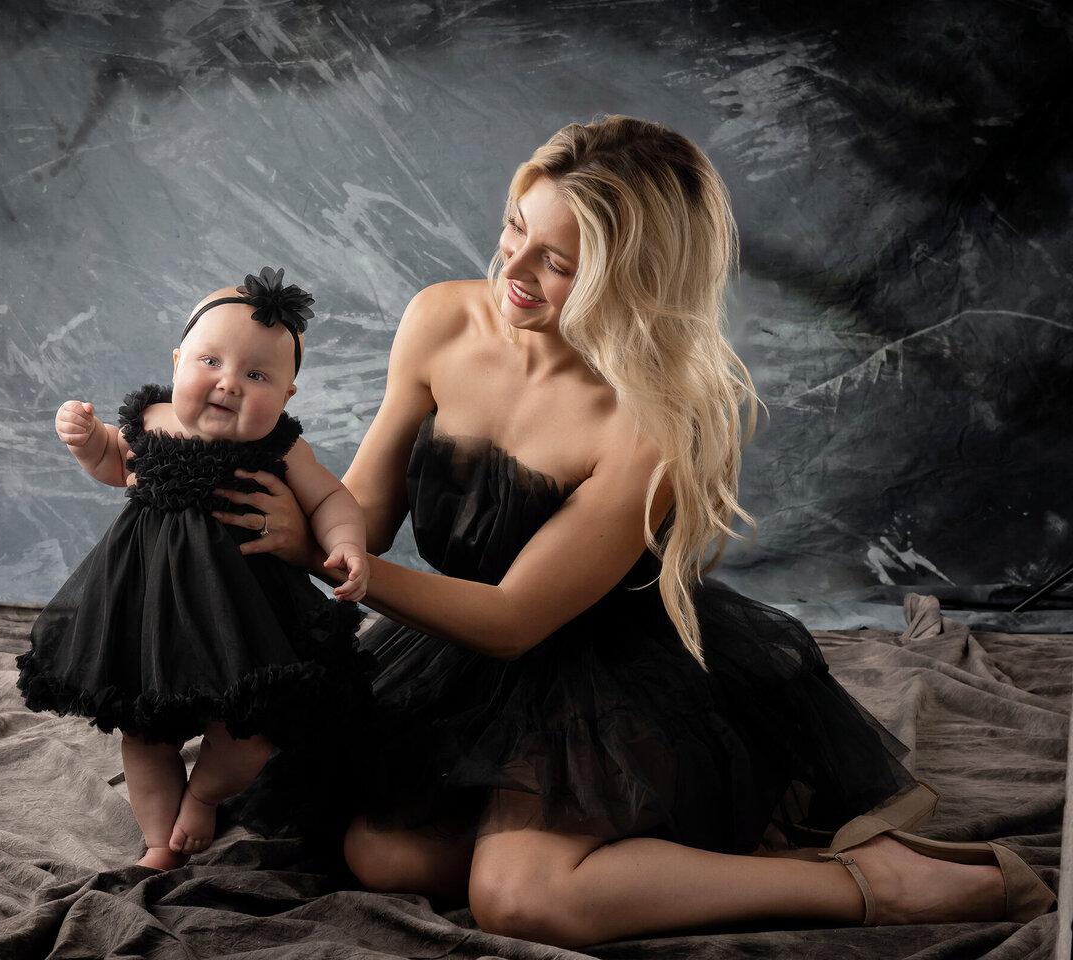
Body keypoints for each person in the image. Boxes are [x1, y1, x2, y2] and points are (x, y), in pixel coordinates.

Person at [213, 118, 1056, 945]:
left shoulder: (648, 425)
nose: (515, 268)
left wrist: (330, 561)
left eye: (559, 263)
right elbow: (367, 509)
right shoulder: (440, 320)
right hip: (457, 654)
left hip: (609, 665)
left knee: (519, 901)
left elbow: (513, 621)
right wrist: (259, 479)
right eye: (516, 228)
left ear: (635, 279)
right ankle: (597, 841)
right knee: (384, 855)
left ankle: (865, 882)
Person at [18, 267, 370, 871]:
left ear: (287, 396)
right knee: (144, 731)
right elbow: (113, 463)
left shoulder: (281, 448)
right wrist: (86, 441)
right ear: (179, 360)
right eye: (211, 361)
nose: (229, 384)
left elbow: (331, 500)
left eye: (256, 375)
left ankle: (204, 795)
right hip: (146, 605)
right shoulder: (150, 420)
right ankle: (159, 841)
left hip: (242, 613)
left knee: (251, 727)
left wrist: (347, 543)